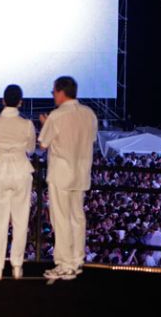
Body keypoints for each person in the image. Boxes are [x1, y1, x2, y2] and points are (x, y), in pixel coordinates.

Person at [38, 76, 98, 280]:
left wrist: (46, 124)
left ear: (61, 92)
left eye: (53, 92)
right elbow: (91, 139)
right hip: (81, 172)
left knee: (61, 218)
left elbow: (43, 144)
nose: (53, 95)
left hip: (61, 173)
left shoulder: (56, 116)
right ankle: (77, 260)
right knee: (77, 217)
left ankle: (64, 264)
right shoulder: (89, 114)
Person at [0, 84, 36, 280]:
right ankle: (17, 266)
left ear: (3, 101)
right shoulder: (27, 124)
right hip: (21, 170)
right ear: (20, 102)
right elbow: (31, 149)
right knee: (20, 221)